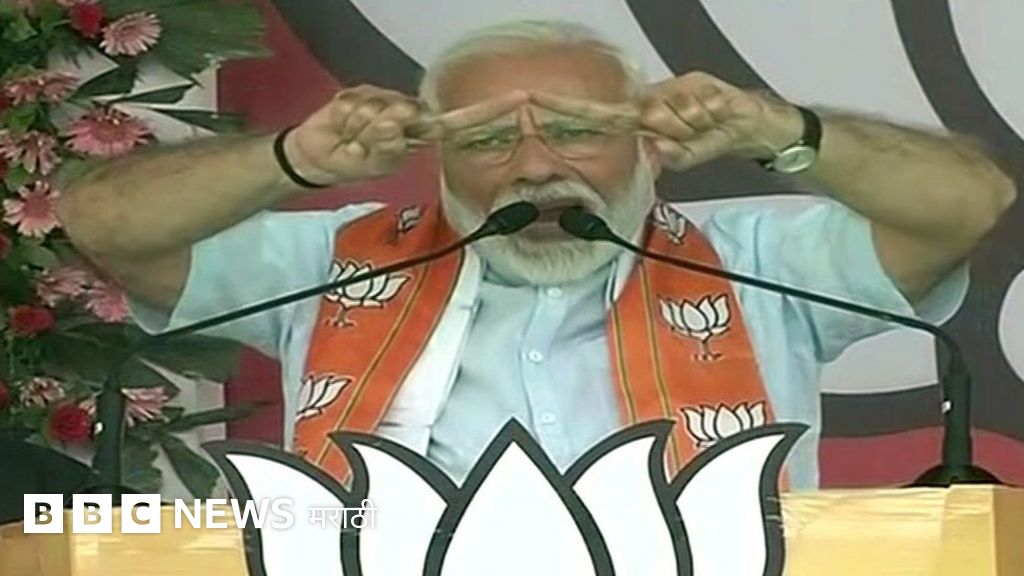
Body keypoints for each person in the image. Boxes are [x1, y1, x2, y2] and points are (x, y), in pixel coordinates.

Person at [57, 20, 1015, 489]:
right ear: (435, 163)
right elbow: (105, 224)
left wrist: (782, 129)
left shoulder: (758, 259)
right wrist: (292, 160)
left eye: (575, 131)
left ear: (649, 148)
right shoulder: (332, 262)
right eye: (485, 141)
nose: (533, 165)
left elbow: (971, 201)